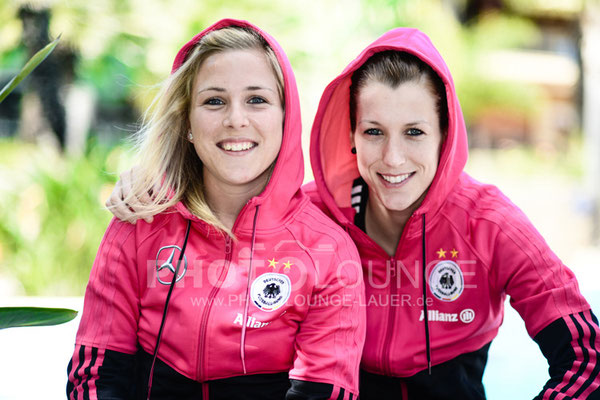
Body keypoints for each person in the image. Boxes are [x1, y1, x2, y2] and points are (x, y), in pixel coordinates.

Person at [107, 27, 600, 399]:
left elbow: (587, 359)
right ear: (350, 134)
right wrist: (160, 184)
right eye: (373, 132)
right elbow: (229, 216)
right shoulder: (314, 224)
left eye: (414, 132)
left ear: (446, 136)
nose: (392, 159)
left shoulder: (489, 224)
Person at [68, 19, 365, 400]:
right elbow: (95, 380)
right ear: (187, 121)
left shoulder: (328, 252)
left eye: (257, 100)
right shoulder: (138, 223)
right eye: (214, 101)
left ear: (285, 117)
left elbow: (325, 391)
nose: (235, 119)